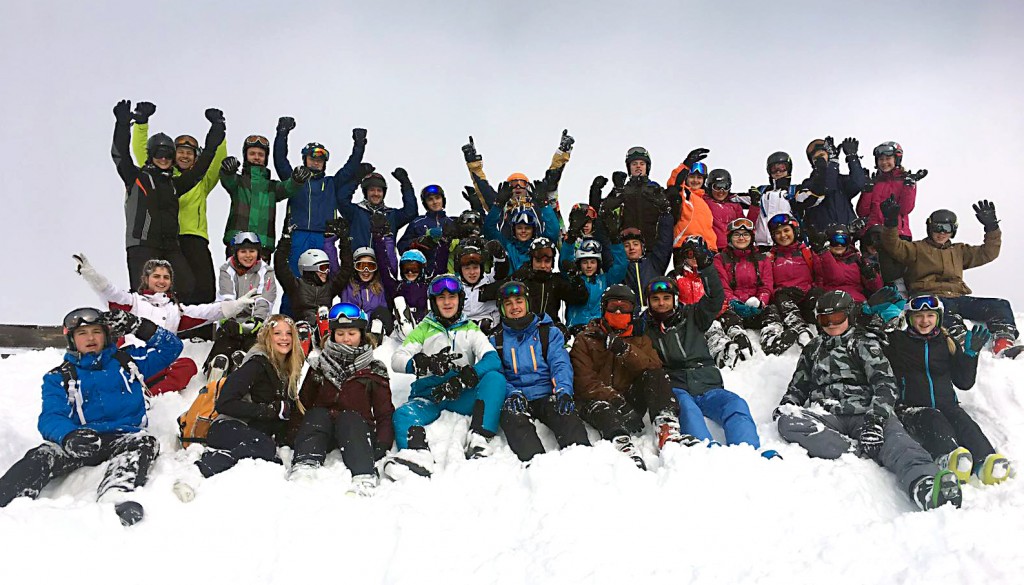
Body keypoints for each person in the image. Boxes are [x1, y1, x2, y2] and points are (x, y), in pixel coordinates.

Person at [774, 290, 963, 511]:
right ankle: (856, 451)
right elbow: (799, 385)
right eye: (825, 319)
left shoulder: (863, 344)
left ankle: (925, 485)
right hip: (828, 413)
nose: (832, 325)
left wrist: (875, 421)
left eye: (837, 318)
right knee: (789, 422)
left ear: (849, 316)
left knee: (899, 444)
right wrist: (787, 405)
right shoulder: (813, 349)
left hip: (865, 412)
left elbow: (885, 384)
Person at [0, 308, 182, 526]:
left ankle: (115, 497)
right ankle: (6, 499)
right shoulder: (59, 377)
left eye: (96, 331)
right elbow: (51, 417)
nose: (90, 338)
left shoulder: (128, 361)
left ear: (106, 335)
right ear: (71, 339)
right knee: (44, 453)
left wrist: (137, 325)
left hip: (124, 437)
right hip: (82, 441)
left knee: (144, 442)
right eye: (82, 333)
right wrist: (68, 436)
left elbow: (172, 347)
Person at [639, 250, 766, 452]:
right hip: (677, 385)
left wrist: (706, 267)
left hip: (707, 384)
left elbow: (715, 297)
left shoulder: (693, 315)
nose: (661, 303)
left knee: (735, 404)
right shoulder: (645, 327)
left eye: (666, 297)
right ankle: (707, 450)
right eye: (655, 299)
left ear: (675, 299)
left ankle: (747, 449)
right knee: (687, 409)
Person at [73, 254, 256, 394]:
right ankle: (129, 388)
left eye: (166, 277)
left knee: (187, 366)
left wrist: (237, 305)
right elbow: (108, 291)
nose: (161, 281)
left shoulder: (175, 310)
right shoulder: (133, 301)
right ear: (146, 279)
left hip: (159, 362)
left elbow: (206, 312)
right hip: (133, 359)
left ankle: (148, 394)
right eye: (156, 276)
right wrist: (90, 274)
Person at [385, 275, 507, 480]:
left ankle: (479, 437)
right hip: (430, 395)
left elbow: (492, 358)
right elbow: (397, 359)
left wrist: (468, 377)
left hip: (460, 392)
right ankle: (416, 453)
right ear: (433, 302)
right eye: (441, 298)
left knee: (495, 379)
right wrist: (423, 362)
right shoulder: (424, 329)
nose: (447, 302)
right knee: (403, 414)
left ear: (460, 299)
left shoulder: (470, 328)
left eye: (452, 296)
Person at [886, 295, 1012, 485]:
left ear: (938, 317)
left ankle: (985, 461)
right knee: (935, 421)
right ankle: (948, 457)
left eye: (930, 315)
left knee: (964, 423)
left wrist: (970, 355)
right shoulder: (897, 342)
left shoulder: (946, 342)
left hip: (947, 404)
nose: (925, 321)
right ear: (910, 318)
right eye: (919, 316)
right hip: (912, 409)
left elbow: (963, 382)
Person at [111, 100, 225, 298]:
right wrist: (123, 124)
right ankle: (142, 327)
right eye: (158, 154)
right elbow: (120, 154)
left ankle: (175, 324)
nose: (163, 159)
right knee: (144, 292)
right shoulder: (137, 178)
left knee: (187, 286)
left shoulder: (174, 184)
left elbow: (201, 168)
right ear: (151, 155)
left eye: (167, 155)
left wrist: (216, 133)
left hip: (169, 246)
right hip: (143, 243)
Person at [880, 197, 1020, 356]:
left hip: (958, 296)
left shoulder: (959, 251)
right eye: (937, 228)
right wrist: (891, 223)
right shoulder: (916, 249)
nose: (941, 233)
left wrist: (992, 227)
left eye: (946, 228)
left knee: (1000, 305)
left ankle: (1003, 343)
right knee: (943, 313)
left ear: (953, 230)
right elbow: (893, 246)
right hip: (930, 297)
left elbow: (988, 253)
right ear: (930, 228)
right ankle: (962, 341)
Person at [570, 285, 689, 470]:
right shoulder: (586, 339)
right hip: (597, 402)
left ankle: (666, 426)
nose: (618, 311)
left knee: (656, 375)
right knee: (602, 409)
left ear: (632, 311)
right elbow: (584, 381)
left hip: (629, 401)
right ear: (604, 309)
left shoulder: (640, 339)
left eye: (624, 308)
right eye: (613, 307)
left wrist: (624, 350)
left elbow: (654, 368)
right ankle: (621, 443)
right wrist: (615, 400)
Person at [288, 303, 393, 496]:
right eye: (341, 334)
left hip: (357, 432)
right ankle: (305, 464)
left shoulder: (373, 369)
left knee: (349, 418)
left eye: (352, 333)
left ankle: (364, 475)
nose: (346, 339)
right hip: (321, 431)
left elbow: (384, 412)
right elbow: (303, 404)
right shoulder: (319, 365)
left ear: (362, 334)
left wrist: (382, 443)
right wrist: (293, 434)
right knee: (317, 413)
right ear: (333, 335)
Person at [273, 120, 367, 313]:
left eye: (320, 159)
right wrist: (282, 134)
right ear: (304, 159)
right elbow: (280, 161)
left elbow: (350, 168)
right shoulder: (296, 181)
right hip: (298, 236)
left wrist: (359, 145)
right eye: (312, 158)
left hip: (322, 238)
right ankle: (287, 322)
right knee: (293, 281)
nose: (316, 162)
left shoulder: (331, 183)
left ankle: (320, 323)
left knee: (323, 282)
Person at [491, 281, 591, 462]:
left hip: (547, 393)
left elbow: (560, 363)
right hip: (517, 396)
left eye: (519, 301)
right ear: (502, 309)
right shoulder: (496, 340)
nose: (515, 307)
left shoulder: (548, 333)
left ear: (527, 303)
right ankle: (536, 463)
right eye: (508, 303)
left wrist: (564, 390)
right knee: (513, 419)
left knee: (566, 416)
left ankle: (582, 460)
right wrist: (510, 392)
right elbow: (496, 373)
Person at [195, 315, 305, 477]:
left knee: (270, 451)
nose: (284, 338)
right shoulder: (256, 364)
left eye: (288, 333)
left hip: (252, 430)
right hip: (227, 427)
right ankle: (201, 469)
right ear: (267, 336)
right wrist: (268, 410)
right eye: (277, 333)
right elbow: (224, 403)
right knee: (265, 449)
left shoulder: (287, 369)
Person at [220, 134, 312, 255]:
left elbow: (288, 187)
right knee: (233, 274)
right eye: (252, 154)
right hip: (237, 242)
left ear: (266, 158)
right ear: (245, 156)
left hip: (263, 244)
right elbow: (227, 179)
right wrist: (227, 169)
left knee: (262, 274)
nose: (256, 157)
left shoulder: (271, 187)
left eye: (261, 154)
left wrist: (297, 180)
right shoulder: (238, 182)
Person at [205, 232, 277, 381]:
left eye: (252, 251)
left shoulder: (265, 271)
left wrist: (257, 319)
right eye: (243, 251)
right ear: (236, 253)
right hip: (231, 319)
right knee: (226, 340)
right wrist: (228, 318)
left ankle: (245, 366)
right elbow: (227, 295)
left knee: (254, 344)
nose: (248, 255)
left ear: (258, 253)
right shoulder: (227, 269)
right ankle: (217, 368)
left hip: (255, 321)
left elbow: (264, 298)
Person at [712, 218, 774, 367]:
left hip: (756, 306)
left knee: (772, 310)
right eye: (737, 234)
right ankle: (738, 336)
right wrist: (734, 303)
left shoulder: (762, 259)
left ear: (751, 237)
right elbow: (723, 285)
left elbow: (767, 285)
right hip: (734, 307)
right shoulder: (720, 259)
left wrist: (761, 301)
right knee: (727, 316)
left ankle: (771, 336)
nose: (741, 238)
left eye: (745, 234)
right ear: (729, 238)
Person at [375, 218, 450, 335]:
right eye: (406, 269)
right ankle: (405, 324)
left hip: (424, 330)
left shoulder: (428, 285)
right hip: (400, 333)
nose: (410, 272)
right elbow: (383, 267)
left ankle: (422, 326)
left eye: (415, 269)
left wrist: (444, 242)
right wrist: (378, 238)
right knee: (392, 305)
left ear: (422, 269)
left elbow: (440, 266)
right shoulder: (396, 287)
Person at [274, 225, 354, 328]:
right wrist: (285, 239)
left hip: (325, 330)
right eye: (323, 267)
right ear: (310, 268)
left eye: (327, 267)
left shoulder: (329, 287)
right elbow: (280, 266)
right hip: (302, 328)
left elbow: (347, 269)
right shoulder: (296, 286)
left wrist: (345, 241)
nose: (326, 271)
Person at [763, 213, 819, 354]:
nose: (783, 235)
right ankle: (799, 328)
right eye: (778, 233)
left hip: (807, 295)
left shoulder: (806, 252)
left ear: (794, 231)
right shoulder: (770, 257)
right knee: (781, 296)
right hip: (785, 300)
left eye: (786, 230)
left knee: (819, 295)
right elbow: (768, 282)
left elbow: (820, 275)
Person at [507, 237, 588, 327]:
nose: (543, 266)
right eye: (538, 261)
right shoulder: (522, 280)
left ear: (552, 263)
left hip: (550, 330)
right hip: (525, 330)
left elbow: (580, 298)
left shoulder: (556, 282)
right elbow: (500, 291)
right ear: (531, 261)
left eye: (547, 261)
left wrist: (575, 278)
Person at [482, 183, 561, 273]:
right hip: (510, 285)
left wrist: (544, 205)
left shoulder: (540, 247)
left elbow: (553, 230)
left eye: (527, 228)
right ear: (514, 230)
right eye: (519, 228)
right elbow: (489, 230)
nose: (523, 231)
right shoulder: (507, 246)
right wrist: (498, 205)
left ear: (533, 230)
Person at [800, 137, 868, 240]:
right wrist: (833, 162)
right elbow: (827, 188)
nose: (820, 160)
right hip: (824, 240)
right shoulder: (808, 184)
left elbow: (858, 183)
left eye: (822, 155)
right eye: (816, 158)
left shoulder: (841, 181)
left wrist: (852, 157)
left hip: (847, 238)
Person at [338, 165, 419, 250]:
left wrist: (405, 184)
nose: (376, 194)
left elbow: (411, 212)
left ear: (383, 193)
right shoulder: (355, 212)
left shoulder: (391, 215)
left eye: (379, 190)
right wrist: (357, 177)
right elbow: (341, 200)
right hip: (359, 260)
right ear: (366, 192)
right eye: (372, 190)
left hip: (386, 261)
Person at [561, 236, 627, 334]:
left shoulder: (605, 280)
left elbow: (620, 267)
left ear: (598, 264)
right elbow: (565, 262)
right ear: (579, 264)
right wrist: (571, 239)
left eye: (593, 262)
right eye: (584, 262)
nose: (589, 266)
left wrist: (615, 241)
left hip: (599, 329)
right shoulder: (573, 279)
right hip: (575, 329)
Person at [812, 224, 882, 303]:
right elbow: (835, 276)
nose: (839, 244)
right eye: (835, 241)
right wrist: (824, 252)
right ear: (828, 242)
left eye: (843, 240)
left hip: (857, 301)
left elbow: (877, 288)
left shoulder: (857, 260)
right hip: (833, 302)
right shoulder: (820, 258)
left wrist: (871, 277)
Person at [666, 155, 719, 252]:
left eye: (699, 177)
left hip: (707, 248)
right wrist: (686, 165)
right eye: (692, 177)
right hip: (685, 247)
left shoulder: (704, 200)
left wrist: (712, 247)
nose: (695, 180)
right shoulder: (684, 194)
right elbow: (674, 184)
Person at [455, 240, 507, 332]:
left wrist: (500, 255)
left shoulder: (489, 280)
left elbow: (500, 272)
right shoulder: (455, 286)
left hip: (491, 329)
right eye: (467, 269)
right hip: (462, 330)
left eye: (475, 268)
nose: (472, 273)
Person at [703, 168, 759, 247]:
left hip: (732, 249)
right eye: (717, 187)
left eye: (726, 186)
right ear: (709, 187)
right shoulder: (704, 202)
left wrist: (755, 206)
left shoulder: (734, 205)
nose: (721, 191)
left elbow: (746, 225)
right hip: (712, 248)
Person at [398, 184, 455, 252]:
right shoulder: (417, 223)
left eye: (437, 198)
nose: (435, 202)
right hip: (426, 261)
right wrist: (418, 242)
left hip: (449, 260)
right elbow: (401, 246)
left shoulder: (453, 222)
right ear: (425, 203)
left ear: (443, 200)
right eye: (430, 199)